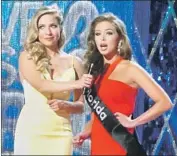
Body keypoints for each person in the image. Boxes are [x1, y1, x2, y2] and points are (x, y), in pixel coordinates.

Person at [73, 13, 172, 155]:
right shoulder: (97, 72)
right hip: (99, 145)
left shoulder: (130, 68)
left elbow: (165, 102)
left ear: (119, 38)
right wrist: (85, 132)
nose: (102, 38)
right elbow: (99, 113)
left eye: (109, 33)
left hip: (120, 144)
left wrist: (134, 122)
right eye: (98, 34)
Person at [14, 6, 93, 155]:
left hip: (61, 133)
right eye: (42, 27)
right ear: (36, 32)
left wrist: (67, 105)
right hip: (31, 130)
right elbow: (42, 85)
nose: (48, 32)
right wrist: (76, 83)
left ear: (60, 29)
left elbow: (81, 106)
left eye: (53, 26)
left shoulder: (75, 62)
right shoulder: (27, 56)